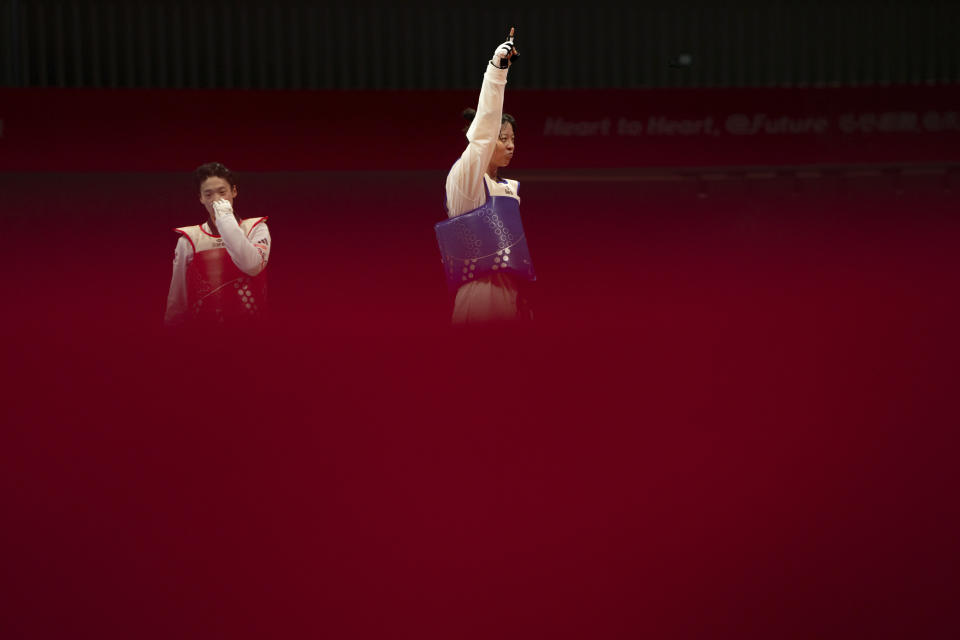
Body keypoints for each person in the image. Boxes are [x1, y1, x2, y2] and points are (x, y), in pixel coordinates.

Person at [436, 28, 535, 325]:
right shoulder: (464, 181)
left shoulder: (510, 190)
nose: (510, 144)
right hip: (477, 302)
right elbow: (481, 135)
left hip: (513, 300)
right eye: (501, 137)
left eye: (513, 138)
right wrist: (497, 70)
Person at [163, 162, 271, 327]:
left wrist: (225, 218)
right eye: (208, 195)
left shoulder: (256, 228)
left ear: (234, 191)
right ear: (200, 198)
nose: (216, 201)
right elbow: (177, 296)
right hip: (203, 332)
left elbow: (252, 266)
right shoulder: (189, 238)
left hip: (252, 330)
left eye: (222, 192)